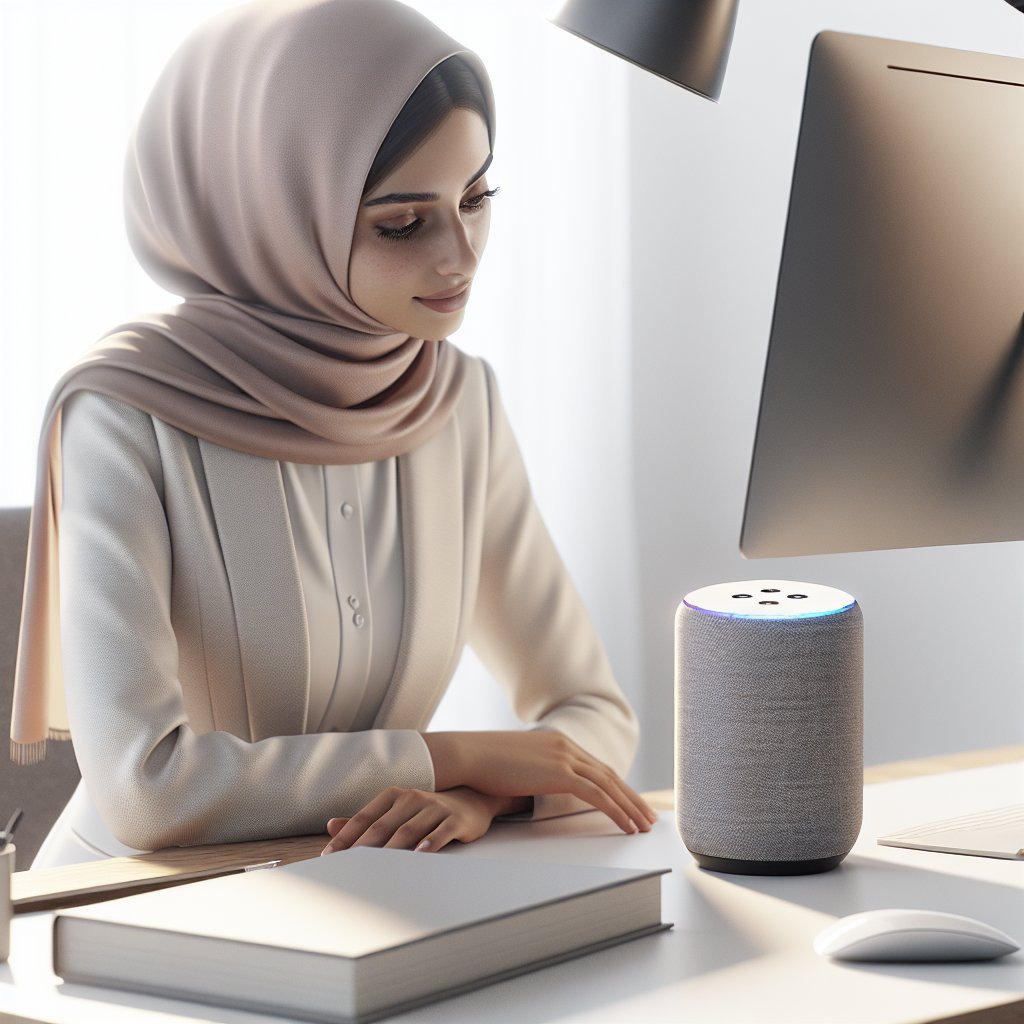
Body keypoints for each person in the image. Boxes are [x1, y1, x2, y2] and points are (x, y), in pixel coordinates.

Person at [11, 0, 654, 868]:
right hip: (126, 921)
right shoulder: (125, 411)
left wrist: (475, 795)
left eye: (476, 198)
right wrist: (449, 756)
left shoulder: (459, 401)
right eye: (402, 223)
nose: (461, 256)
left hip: (374, 899)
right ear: (272, 210)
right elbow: (145, 788)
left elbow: (593, 713)